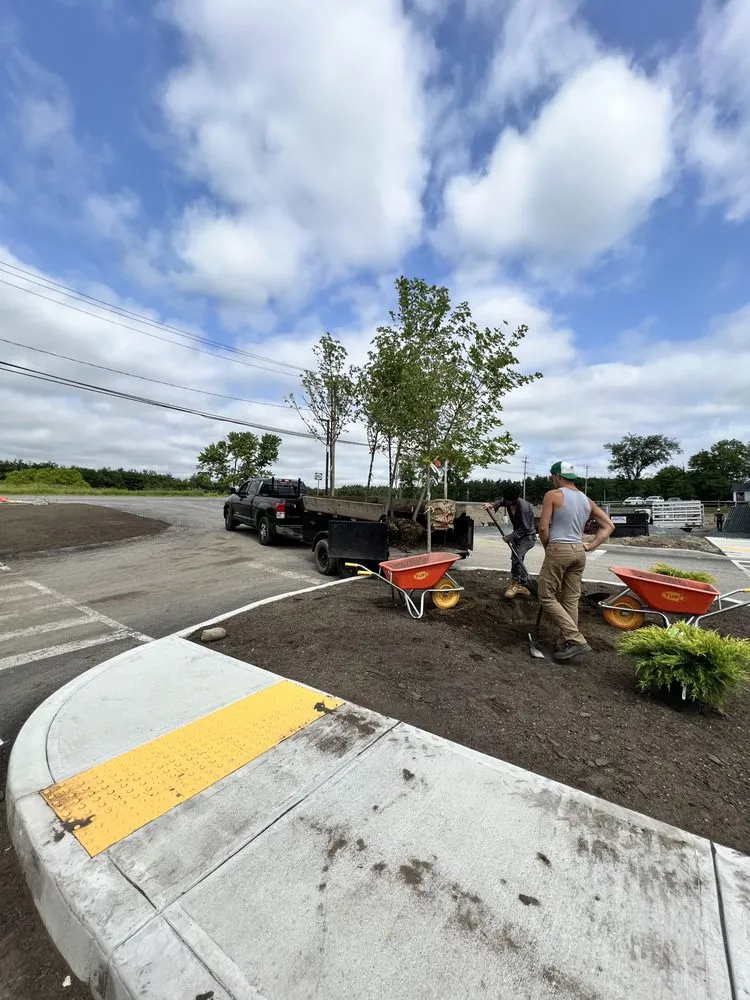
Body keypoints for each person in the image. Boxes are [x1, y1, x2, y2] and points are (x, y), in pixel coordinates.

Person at [538, 461, 614, 662]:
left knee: (546, 596)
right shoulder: (586, 500)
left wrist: (548, 548)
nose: (552, 480)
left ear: (557, 477)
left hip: (558, 548)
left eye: (551, 477)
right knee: (571, 599)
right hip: (579, 552)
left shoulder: (553, 495)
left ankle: (576, 638)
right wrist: (590, 545)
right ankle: (565, 644)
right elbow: (608, 525)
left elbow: (543, 529)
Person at [484, 484, 536, 598]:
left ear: (516, 498)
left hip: (528, 536)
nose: (507, 502)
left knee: (516, 557)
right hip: (518, 534)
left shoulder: (524, 508)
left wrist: (511, 537)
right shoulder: (508, 500)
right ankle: (523, 582)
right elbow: (502, 501)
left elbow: (525, 528)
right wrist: (492, 505)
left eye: (509, 500)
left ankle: (516, 583)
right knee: (518, 558)